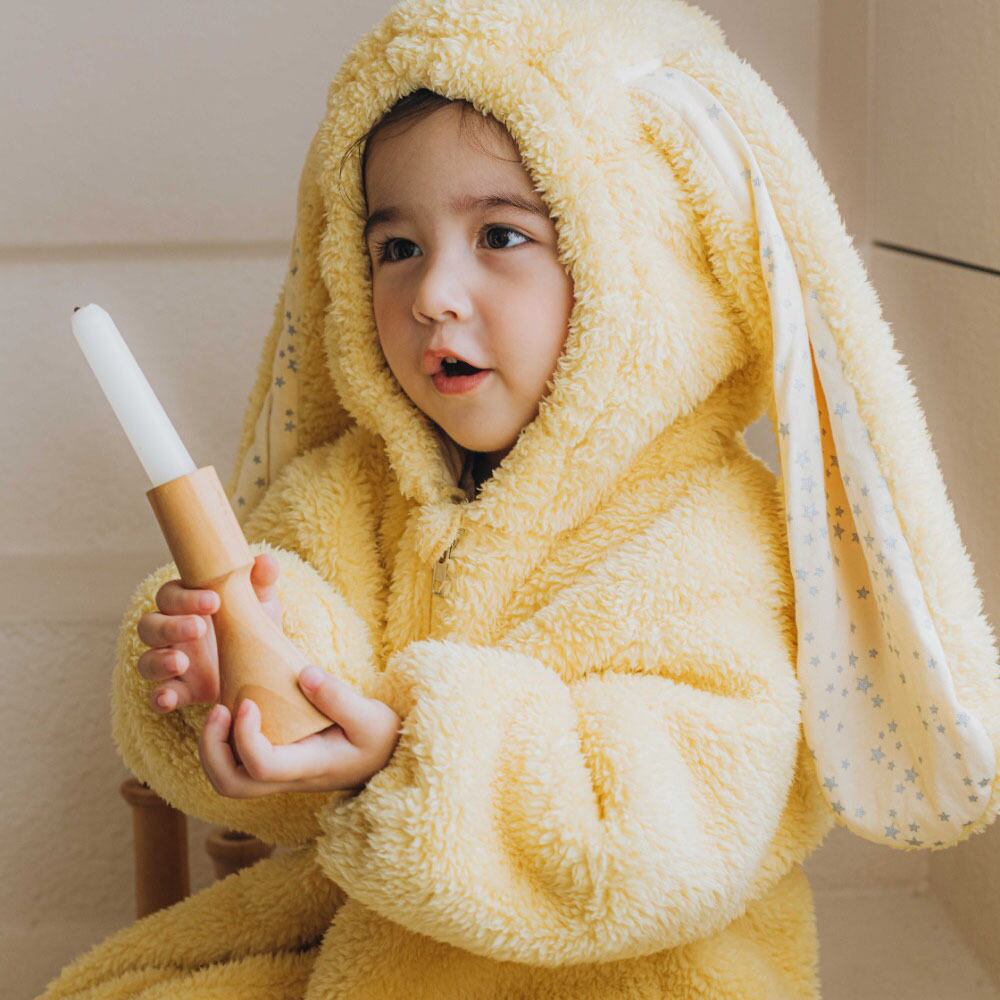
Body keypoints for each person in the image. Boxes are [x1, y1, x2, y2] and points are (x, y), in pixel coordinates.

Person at [41, 1, 1000, 997]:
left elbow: (674, 837)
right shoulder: (350, 493)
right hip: (373, 960)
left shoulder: (712, 531)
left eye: (500, 234)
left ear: (644, 263)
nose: (432, 294)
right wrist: (236, 672)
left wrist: (405, 756)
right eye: (396, 248)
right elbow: (300, 681)